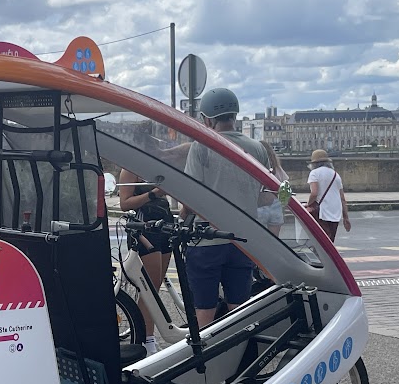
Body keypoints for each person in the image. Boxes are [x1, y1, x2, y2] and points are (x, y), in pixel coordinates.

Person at [181, 88, 270, 328]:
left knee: (204, 313)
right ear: (235, 115)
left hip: (207, 241)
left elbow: (190, 197)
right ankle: (240, 357)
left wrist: (183, 215)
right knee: (239, 310)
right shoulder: (257, 148)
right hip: (242, 241)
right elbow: (264, 197)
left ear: (208, 119)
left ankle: (205, 362)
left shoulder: (201, 146)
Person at [119, 169, 174, 354]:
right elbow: (124, 204)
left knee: (155, 289)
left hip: (165, 225)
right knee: (148, 289)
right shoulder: (129, 169)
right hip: (144, 229)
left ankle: (148, 338)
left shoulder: (154, 164)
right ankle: (147, 340)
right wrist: (154, 193)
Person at [306, 149, 350, 242]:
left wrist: (308, 204)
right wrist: (346, 217)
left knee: (321, 241)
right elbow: (342, 198)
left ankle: (321, 256)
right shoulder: (335, 174)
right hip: (335, 211)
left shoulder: (314, 173)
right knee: (330, 241)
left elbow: (314, 193)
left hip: (322, 211)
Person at [256, 141, 290, 236]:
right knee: (274, 240)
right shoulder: (277, 168)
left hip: (259, 205)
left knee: (258, 238)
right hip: (276, 206)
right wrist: (283, 204)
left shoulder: (257, 166)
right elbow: (286, 187)